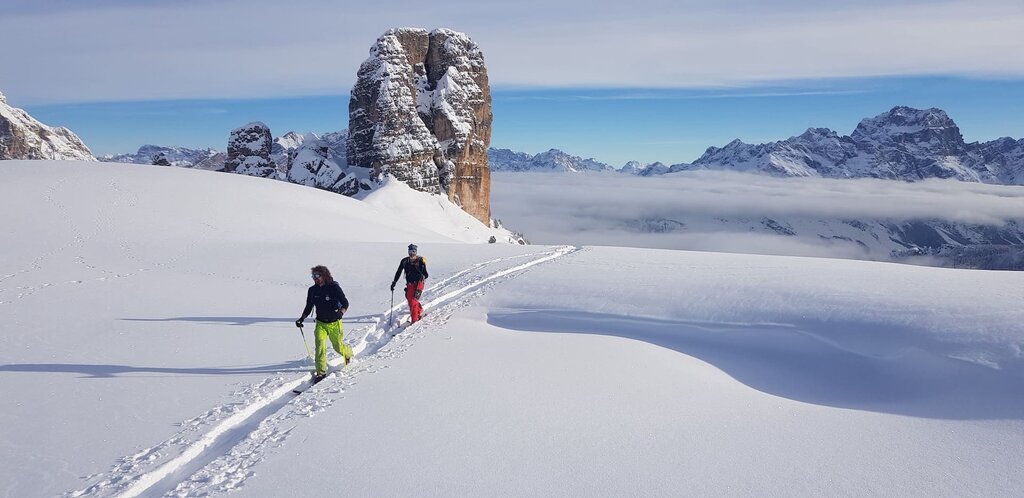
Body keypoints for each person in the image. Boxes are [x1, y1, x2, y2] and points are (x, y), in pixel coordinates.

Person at [296, 265, 352, 381]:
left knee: (337, 346)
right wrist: (302, 318)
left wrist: (341, 313)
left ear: (324, 275)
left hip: (334, 323)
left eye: (317, 275)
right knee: (320, 346)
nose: (315, 278)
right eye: (313, 276)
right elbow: (309, 306)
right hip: (320, 323)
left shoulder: (333, 287)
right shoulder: (312, 290)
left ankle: (348, 353)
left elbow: (345, 303)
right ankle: (320, 372)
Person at [391, 244, 429, 324]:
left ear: (416, 252)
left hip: (419, 283)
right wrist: (394, 282)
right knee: (409, 299)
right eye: (410, 251)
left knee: (413, 300)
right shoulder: (404, 261)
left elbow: (426, 274)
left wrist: (422, 274)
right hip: (410, 284)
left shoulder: (421, 260)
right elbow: (399, 272)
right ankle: (419, 309)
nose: (412, 253)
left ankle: (414, 320)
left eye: (413, 251)